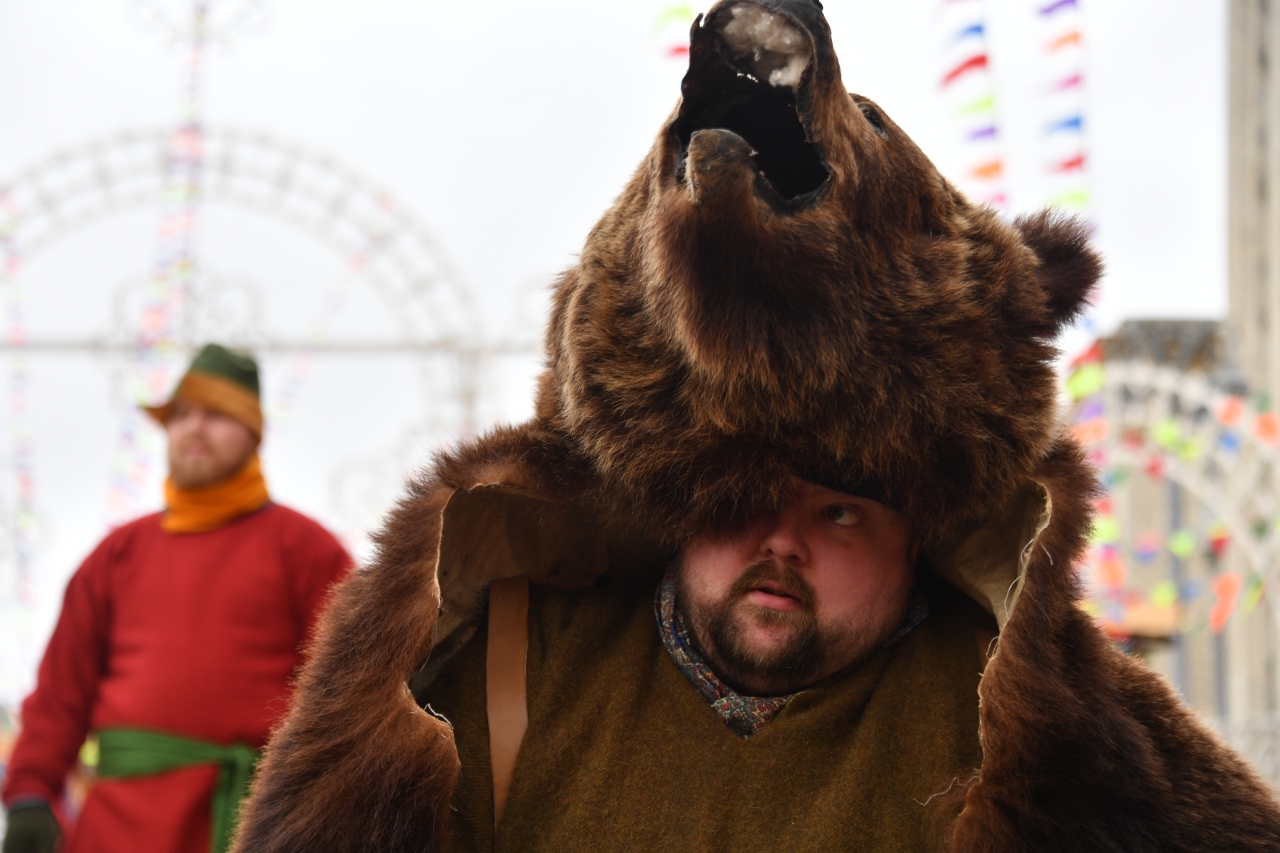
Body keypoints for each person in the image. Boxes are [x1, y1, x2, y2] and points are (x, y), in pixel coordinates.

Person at [235, 1, 1280, 850]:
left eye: (837, 510)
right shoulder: (478, 679)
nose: (779, 541)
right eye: (737, 498)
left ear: (916, 533)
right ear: (669, 504)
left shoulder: (1038, 732)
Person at [2, 344, 352, 853]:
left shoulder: (306, 550)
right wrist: (30, 792)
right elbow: (60, 693)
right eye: (181, 414)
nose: (193, 427)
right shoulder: (117, 555)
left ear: (253, 431)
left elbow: (355, 695)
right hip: (116, 833)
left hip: (253, 827)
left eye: (215, 414)